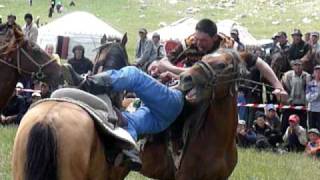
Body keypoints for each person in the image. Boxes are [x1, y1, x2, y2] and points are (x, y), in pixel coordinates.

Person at [62, 18, 288, 170]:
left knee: (132, 73)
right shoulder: (191, 41)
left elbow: (258, 63)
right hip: (172, 99)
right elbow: (164, 60)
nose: (198, 44)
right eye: (197, 40)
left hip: (187, 99)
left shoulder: (227, 49)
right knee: (133, 120)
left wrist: (278, 85)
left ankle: (88, 83)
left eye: (203, 41)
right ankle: (128, 147)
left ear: (214, 37)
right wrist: (161, 68)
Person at [281, 59, 311, 131]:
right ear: (292, 67)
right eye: (295, 65)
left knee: (302, 124)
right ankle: (283, 137)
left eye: (299, 65)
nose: (297, 67)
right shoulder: (287, 75)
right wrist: (285, 100)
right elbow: (283, 88)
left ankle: (302, 138)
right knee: (285, 122)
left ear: (302, 66)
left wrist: (308, 103)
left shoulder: (307, 76)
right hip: (290, 103)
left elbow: (309, 90)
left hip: (302, 104)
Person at [306, 65, 320, 130]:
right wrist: (317, 94)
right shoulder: (310, 84)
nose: (318, 73)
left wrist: (313, 96)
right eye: (316, 72)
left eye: (319, 72)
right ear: (313, 73)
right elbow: (308, 98)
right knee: (311, 128)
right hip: (311, 109)